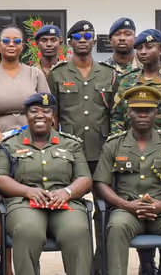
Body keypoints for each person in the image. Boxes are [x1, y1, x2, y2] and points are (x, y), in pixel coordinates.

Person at [94, 86, 161, 275]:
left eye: (148, 111)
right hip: (127, 211)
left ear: (156, 113)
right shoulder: (114, 144)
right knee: (116, 227)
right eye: (137, 111)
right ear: (128, 113)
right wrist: (125, 205)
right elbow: (101, 184)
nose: (143, 115)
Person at [0, 92, 92, 275]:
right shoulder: (10, 144)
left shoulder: (71, 144)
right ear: (27, 116)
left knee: (77, 230)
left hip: (64, 201)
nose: (40, 115)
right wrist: (27, 191)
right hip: (24, 202)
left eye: (46, 111)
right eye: (34, 111)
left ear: (53, 116)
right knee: (27, 230)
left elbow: (85, 178)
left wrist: (67, 192)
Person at [47, 19, 116, 271]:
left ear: (94, 42)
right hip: (70, 154)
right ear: (70, 43)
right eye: (77, 37)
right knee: (72, 211)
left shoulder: (109, 74)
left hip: (102, 152)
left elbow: (115, 114)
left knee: (105, 210)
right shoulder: (57, 73)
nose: (83, 41)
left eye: (88, 37)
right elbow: (51, 116)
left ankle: (100, 263)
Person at [0, 25, 46, 165]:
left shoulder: (35, 74)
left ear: (22, 46)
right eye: (6, 41)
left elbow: (47, 110)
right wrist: (3, 142)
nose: (11, 44)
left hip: (32, 140)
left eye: (16, 41)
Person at [111, 29, 161, 136]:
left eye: (149, 47)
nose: (143, 52)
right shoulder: (127, 81)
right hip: (129, 147)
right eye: (139, 48)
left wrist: (153, 142)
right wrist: (121, 141)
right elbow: (117, 116)